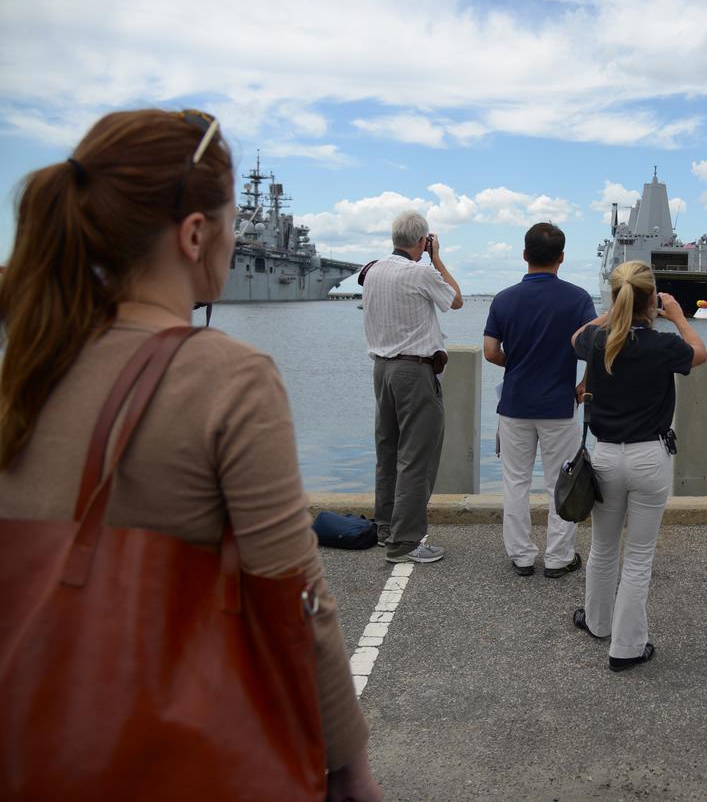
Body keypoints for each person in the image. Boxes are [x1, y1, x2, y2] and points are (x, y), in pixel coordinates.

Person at [0, 109, 380, 799]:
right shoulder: (230, 377)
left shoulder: (24, 361)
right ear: (195, 234)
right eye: (233, 221)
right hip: (174, 754)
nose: (238, 238)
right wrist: (348, 764)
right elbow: (295, 598)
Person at [569, 261, 706, 670]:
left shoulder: (597, 340)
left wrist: (615, 310)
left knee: (604, 547)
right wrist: (678, 316)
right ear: (652, 300)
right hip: (650, 457)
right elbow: (698, 353)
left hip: (607, 454)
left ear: (615, 297)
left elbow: (575, 336)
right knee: (640, 555)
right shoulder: (662, 345)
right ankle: (627, 647)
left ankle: (597, 622)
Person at [484, 222, 597, 578]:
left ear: (524, 255)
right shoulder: (578, 298)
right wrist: (583, 384)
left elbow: (490, 351)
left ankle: (521, 556)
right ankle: (558, 557)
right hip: (559, 406)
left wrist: (513, 361)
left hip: (515, 404)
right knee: (560, 482)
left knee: (515, 482)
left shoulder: (503, 299)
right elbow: (595, 347)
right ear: (561, 258)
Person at [362, 210, 463, 564]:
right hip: (414, 371)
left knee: (388, 451)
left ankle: (385, 528)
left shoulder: (372, 270)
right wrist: (437, 259)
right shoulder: (420, 271)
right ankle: (404, 543)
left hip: (382, 370)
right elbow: (455, 299)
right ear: (422, 241)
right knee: (416, 457)